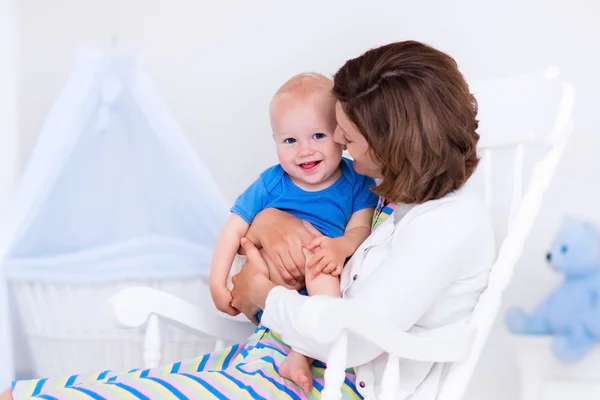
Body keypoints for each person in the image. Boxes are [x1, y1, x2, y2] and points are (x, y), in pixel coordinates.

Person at [2, 40, 495, 400]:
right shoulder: (391, 201)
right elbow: (300, 223)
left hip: (331, 380)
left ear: (392, 145)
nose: (340, 150)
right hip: (275, 358)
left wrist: (264, 296)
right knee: (55, 388)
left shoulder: (446, 225)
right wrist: (269, 221)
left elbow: (354, 337)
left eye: (348, 139)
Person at [209, 71, 377, 391]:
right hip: (270, 290)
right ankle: (286, 345)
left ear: (340, 135)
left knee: (320, 266)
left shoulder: (356, 180)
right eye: (290, 140)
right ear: (275, 142)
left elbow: (360, 229)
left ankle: (300, 352)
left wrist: (339, 247)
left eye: (318, 136)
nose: (304, 150)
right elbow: (233, 230)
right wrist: (217, 284)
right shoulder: (271, 182)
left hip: (319, 285)